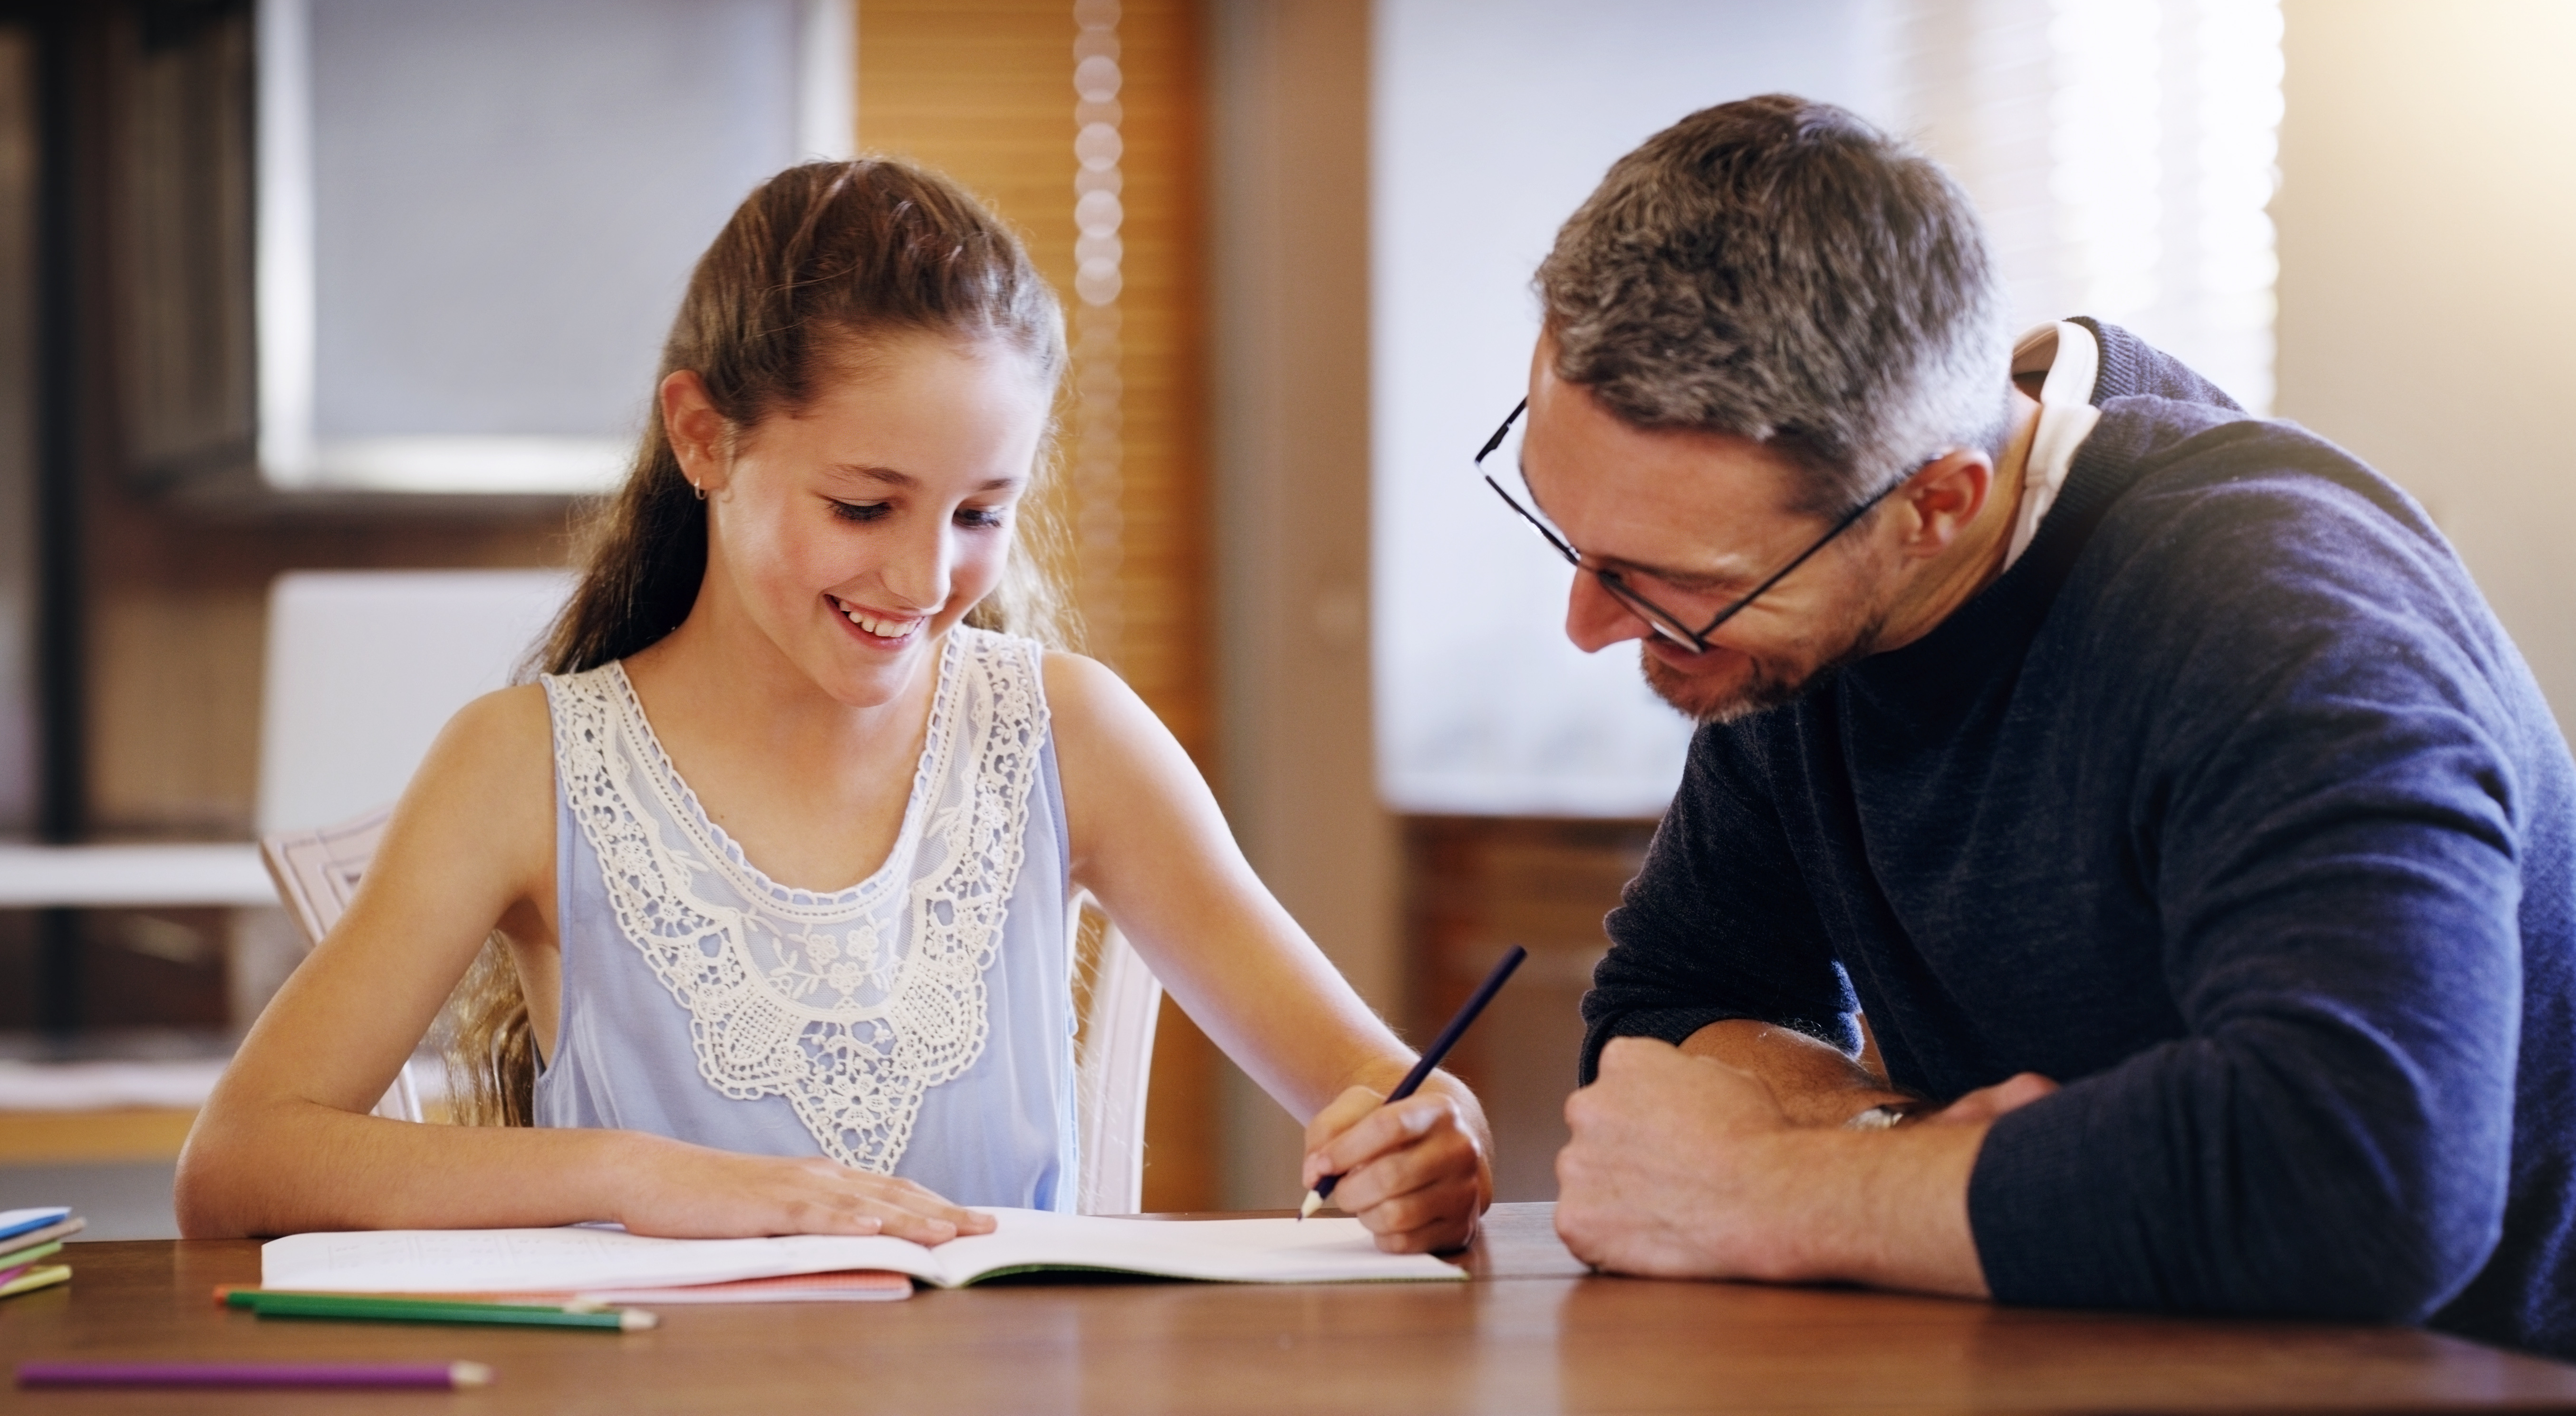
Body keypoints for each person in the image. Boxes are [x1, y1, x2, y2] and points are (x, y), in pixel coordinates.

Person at [177, 160, 1489, 1253]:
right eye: (863, 506)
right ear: (704, 440)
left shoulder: (1070, 735)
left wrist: (1437, 1148)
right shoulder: (524, 764)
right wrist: (633, 1174)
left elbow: (1389, 1093)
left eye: (982, 513)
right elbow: (239, 1166)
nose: (927, 580)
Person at [1504, 97, 2574, 1357]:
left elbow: (2366, 1178)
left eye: (1664, 576)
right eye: (1566, 535)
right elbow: (1668, 1023)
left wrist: (1762, 1188)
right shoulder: (1807, 617)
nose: (1587, 625)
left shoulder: (2278, 616)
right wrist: (1890, 1146)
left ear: (1934, 506)